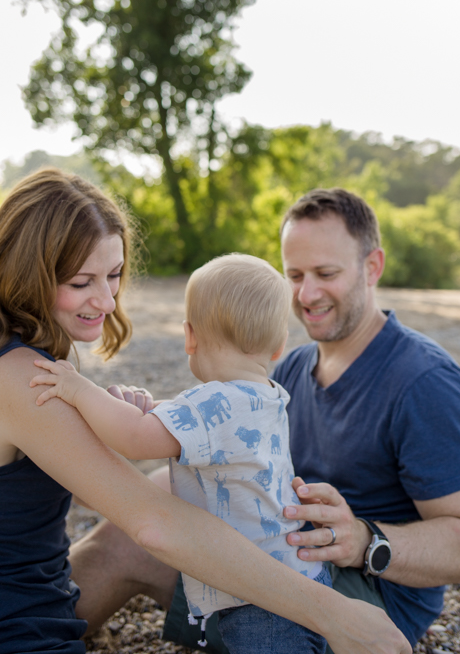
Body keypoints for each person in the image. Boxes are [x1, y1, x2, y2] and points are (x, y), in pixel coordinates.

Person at [0, 168, 410, 654]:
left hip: (47, 604)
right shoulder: (26, 377)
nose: (108, 300)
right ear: (30, 273)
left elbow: (67, 487)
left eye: (113, 275)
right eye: (81, 281)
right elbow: (154, 524)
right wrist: (335, 613)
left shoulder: (45, 356)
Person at [30, 253, 331, 654]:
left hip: (261, 602)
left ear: (190, 336)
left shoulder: (214, 403)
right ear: (278, 347)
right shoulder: (266, 398)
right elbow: (190, 426)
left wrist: (80, 390)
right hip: (300, 577)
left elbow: (137, 439)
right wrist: (149, 411)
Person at [271, 187, 460, 650]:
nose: (306, 294)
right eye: (294, 275)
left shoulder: (425, 382)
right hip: (288, 558)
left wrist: (363, 541)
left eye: (325, 273)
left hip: (375, 602)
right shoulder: (290, 368)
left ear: (372, 268)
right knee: (126, 540)